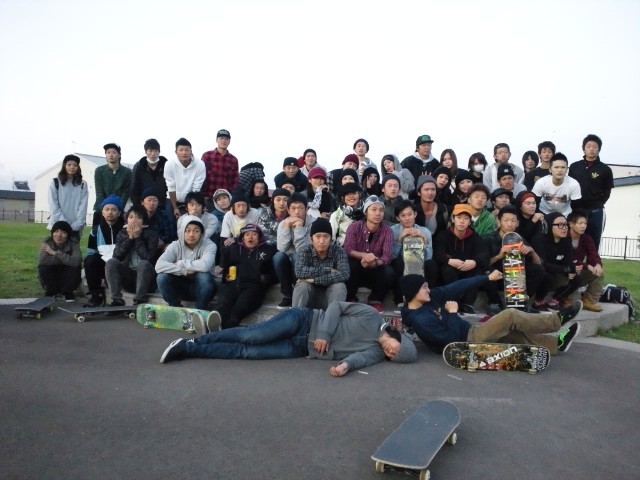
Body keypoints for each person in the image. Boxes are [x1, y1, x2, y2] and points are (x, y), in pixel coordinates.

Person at [159, 302, 417, 378]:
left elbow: (359, 359)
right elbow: (337, 306)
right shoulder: (371, 315)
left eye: (392, 358)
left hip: (301, 347)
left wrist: (344, 366)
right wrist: (325, 334)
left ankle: (188, 349)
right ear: (399, 339)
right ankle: (200, 340)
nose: (390, 353)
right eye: (396, 350)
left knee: (246, 353)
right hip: (305, 320)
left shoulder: (376, 353)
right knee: (252, 336)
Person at [399, 272, 582, 354]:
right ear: (413, 292)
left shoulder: (430, 298)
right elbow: (450, 343)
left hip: (469, 331)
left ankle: (557, 344)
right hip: (464, 344)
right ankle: (557, 320)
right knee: (510, 316)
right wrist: (453, 313)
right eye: (424, 287)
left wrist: (486, 278)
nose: (428, 290)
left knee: (512, 333)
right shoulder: (420, 320)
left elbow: (457, 287)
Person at [482, 205, 546, 315]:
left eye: (513, 221)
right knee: (486, 272)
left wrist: (532, 251)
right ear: (499, 222)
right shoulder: (487, 238)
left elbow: (539, 263)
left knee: (539, 270)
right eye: (506, 220)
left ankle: (522, 301)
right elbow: (482, 264)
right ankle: (495, 303)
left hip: (515, 278)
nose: (509, 224)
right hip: (497, 277)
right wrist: (499, 256)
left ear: (517, 223)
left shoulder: (519, 238)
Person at [216, 224, 277, 329]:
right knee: (222, 308)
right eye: (247, 234)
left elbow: (274, 274)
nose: (250, 237)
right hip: (234, 285)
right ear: (242, 237)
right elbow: (227, 267)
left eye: (254, 234)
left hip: (253, 287)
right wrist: (228, 280)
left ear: (259, 237)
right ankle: (211, 329)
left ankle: (225, 334)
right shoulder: (235, 249)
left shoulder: (268, 250)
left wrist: (264, 279)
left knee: (236, 313)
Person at [343, 195, 396, 311]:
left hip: (375, 269)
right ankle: (350, 297)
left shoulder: (387, 231)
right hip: (357, 267)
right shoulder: (354, 227)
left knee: (389, 272)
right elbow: (349, 249)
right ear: (366, 212)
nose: (378, 213)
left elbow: (387, 256)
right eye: (374, 210)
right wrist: (364, 256)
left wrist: (374, 263)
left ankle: (375, 300)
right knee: (350, 264)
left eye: (381, 210)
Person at [433, 203, 488, 313]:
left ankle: (468, 304)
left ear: (470, 222)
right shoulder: (443, 235)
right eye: (459, 217)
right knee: (446, 269)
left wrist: (474, 262)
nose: (462, 221)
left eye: (466, 218)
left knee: (477, 271)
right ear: (453, 219)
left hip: (468, 268)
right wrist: (449, 260)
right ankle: (453, 302)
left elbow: (484, 255)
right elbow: (438, 254)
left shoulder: (475, 237)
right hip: (450, 269)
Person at [155, 215, 217, 310]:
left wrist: (181, 263)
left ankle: (200, 310)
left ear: (202, 233)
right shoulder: (175, 245)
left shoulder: (209, 245)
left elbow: (205, 265)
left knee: (204, 276)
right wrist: (183, 271)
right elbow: (159, 265)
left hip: (202, 289)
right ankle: (176, 307)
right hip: (180, 288)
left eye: (196, 231)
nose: (191, 234)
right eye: (187, 231)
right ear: (182, 232)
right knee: (162, 277)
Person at [105, 205, 158, 306]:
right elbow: (116, 256)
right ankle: (116, 300)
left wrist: (137, 238)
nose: (134, 220)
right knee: (111, 262)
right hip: (129, 278)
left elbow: (148, 258)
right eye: (131, 217)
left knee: (143, 264)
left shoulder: (151, 234)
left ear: (144, 221)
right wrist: (129, 238)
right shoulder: (122, 233)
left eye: (138, 217)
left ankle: (139, 300)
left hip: (147, 281)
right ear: (126, 220)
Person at [568, 134, 614, 250]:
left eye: (595, 146)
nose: (591, 149)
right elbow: (569, 186)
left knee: (594, 240)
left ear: (599, 149)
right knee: (573, 240)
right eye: (588, 146)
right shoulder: (574, 166)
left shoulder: (605, 169)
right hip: (576, 209)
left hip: (595, 210)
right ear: (583, 148)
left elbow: (607, 191)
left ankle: (593, 261)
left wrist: (598, 203)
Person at [293, 218, 349, 308]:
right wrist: (328, 270)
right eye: (318, 236)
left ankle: (333, 316)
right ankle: (296, 315)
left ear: (331, 239)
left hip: (330, 297)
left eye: (326, 236)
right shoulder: (305, 250)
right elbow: (299, 272)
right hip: (309, 296)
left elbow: (344, 274)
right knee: (302, 285)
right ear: (311, 238)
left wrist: (315, 280)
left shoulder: (338, 251)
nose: (322, 241)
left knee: (340, 286)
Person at [531, 212, 580, 310]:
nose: (564, 228)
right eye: (560, 225)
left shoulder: (566, 242)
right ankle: (538, 301)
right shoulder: (539, 240)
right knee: (549, 277)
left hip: (556, 271)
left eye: (566, 225)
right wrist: (566, 269)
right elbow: (544, 265)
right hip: (540, 273)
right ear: (549, 225)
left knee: (576, 279)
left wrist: (570, 271)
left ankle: (555, 299)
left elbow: (569, 263)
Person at [83, 195, 125, 308]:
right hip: (103, 265)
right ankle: (96, 295)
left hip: (119, 265)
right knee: (89, 260)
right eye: (107, 209)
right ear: (102, 212)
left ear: (119, 213)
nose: (110, 212)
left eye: (114, 209)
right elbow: (91, 251)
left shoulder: (125, 228)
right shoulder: (95, 230)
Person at [274, 193, 314, 308]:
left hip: (309, 260)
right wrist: (286, 228)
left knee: (297, 257)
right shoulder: (283, 223)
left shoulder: (314, 223)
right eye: (293, 208)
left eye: (301, 208)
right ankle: (287, 295)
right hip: (289, 261)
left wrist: (299, 228)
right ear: (288, 209)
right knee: (278, 257)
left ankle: (298, 293)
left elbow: (303, 251)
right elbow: (281, 248)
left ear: (306, 209)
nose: (297, 212)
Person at [390, 200, 438, 293]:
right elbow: (392, 256)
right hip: (401, 264)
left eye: (410, 214)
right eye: (403, 215)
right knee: (398, 263)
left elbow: (428, 257)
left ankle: (428, 295)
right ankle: (400, 296)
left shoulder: (425, 231)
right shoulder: (392, 231)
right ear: (398, 218)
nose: (407, 218)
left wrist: (423, 238)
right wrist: (400, 239)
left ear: (415, 214)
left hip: (420, 263)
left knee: (431, 265)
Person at [568, 210, 605, 312]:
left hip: (579, 271)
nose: (583, 226)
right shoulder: (564, 237)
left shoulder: (586, 238)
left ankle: (589, 301)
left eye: (585, 223)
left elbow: (593, 254)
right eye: (580, 223)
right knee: (573, 303)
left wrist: (597, 264)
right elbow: (569, 259)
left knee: (599, 272)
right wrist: (587, 266)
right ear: (571, 224)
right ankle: (563, 298)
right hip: (566, 272)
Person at [47, 154, 88, 240]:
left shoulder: (82, 184)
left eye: (75, 165)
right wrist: (64, 223)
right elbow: (53, 205)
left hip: (75, 228)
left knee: (73, 248)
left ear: (78, 167)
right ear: (64, 166)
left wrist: (77, 223)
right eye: (69, 165)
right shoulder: (55, 182)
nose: (72, 167)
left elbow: (83, 205)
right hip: (58, 226)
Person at [38, 220, 82, 301]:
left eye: (63, 232)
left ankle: (68, 292)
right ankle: (51, 291)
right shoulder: (47, 241)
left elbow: (77, 261)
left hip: (67, 273)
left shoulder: (74, 243)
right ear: (52, 233)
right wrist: (67, 259)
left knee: (75, 268)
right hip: (52, 271)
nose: (59, 235)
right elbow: (43, 260)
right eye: (56, 231)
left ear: (68, 234)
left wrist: (55, 253)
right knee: (43, 267)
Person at [164, 137, 206, 219]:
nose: (184, 153)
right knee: (170, 220)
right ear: (176, 152)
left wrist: (192, 206)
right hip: (172, 199)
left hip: (192, 198)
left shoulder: (200, 164)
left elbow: (196, 188)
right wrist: (175, 208)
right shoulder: (169, 164)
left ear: (191, 151)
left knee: (192, 220)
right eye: (181, 150)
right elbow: (171, 187)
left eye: (187, 150)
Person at [201, 129, 239, 209]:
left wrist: (232, 197)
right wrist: (202, 196)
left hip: (226, 200)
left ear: (229, 141)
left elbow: (235, 181)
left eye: (226, 139)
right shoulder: (207, 156)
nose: (224, 141)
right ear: (216, 140)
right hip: (209, 198)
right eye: (221, 138)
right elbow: (201, 176)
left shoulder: (233, 159)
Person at [130, 138, 170, 210]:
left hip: (162, 203)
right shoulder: (139, 167)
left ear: (159, 152)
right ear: (146, 152)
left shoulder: (166, 166)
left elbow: (171, 185)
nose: (153, 154)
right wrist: (137, 205)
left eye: (155, 151)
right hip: (144, 204)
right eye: (150, 151)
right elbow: (134, 188)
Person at [93, 143, 132, 213]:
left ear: (119, 155)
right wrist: (105, 209)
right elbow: (99, 193)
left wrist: (118, 208)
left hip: (119, 209)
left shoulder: (127, 172)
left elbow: (125, 194)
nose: (111, 155)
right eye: (108, 153)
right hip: (101, 209)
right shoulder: (99, 171)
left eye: (114, 152)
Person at [140, 188, 175, 253]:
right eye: (149, 200)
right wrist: (154, 239)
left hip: (159, 247)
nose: (152, 203)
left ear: (158, 203)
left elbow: (169, 235)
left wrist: (161, 239)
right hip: (141, 245)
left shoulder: (163, 215)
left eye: (155, 200)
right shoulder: (137, 215)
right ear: (142, 202)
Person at [329, 182, 364, 246]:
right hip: (342, 250)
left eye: (354, 193)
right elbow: (331, 239)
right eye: (347, 194)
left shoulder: (366, 213)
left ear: (359, 196)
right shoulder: (336, 216)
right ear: (343, 198)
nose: (351, 196)